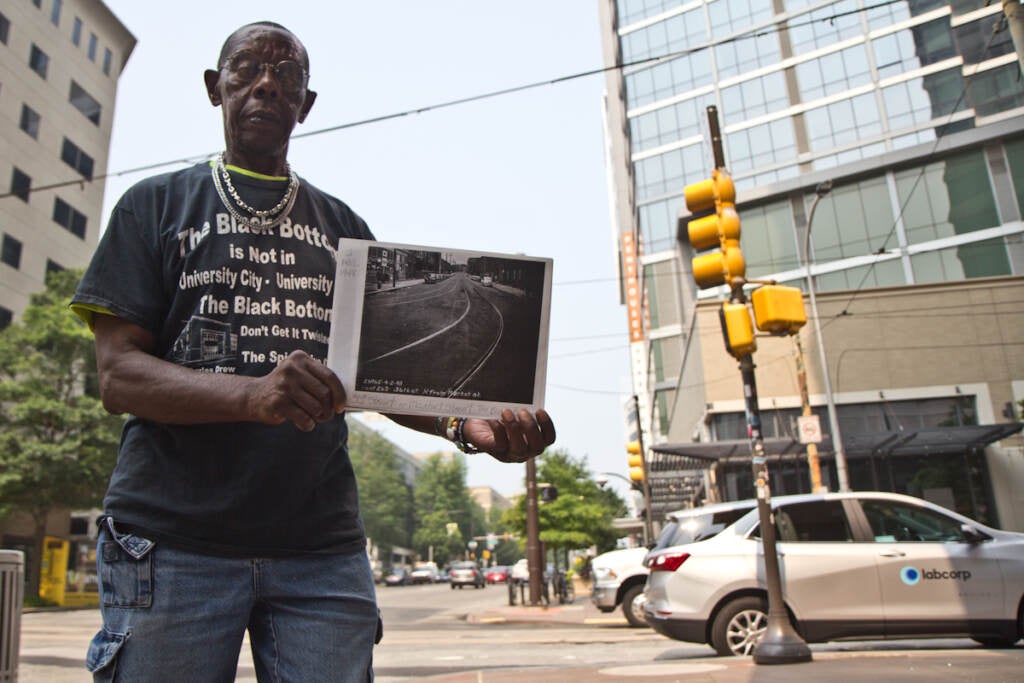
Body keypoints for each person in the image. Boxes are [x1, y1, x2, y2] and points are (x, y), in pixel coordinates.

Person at [71, 21, 555, 682]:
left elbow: (381, 379)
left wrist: (462, 425)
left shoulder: (345, 230)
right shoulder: (152, 207)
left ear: (307, 103)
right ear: (217, 89)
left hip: (319, 549)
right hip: (172, 539)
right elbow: (118, 374)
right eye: (247, 69)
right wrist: (253, 393)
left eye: (287, 75)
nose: (267, 83)